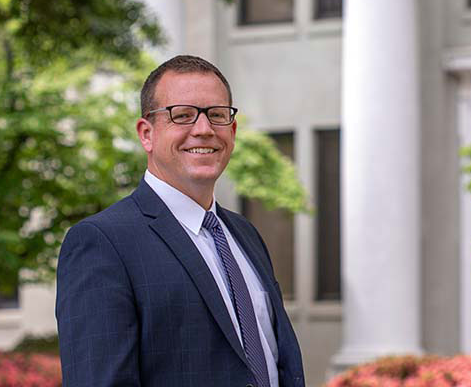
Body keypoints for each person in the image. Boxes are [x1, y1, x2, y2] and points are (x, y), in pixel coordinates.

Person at [56, 55, 304, 387]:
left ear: (231, 131)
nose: (203, 130)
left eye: (216, 115)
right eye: (183, 115)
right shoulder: (101, 243)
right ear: (147, 134)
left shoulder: (245, 235)